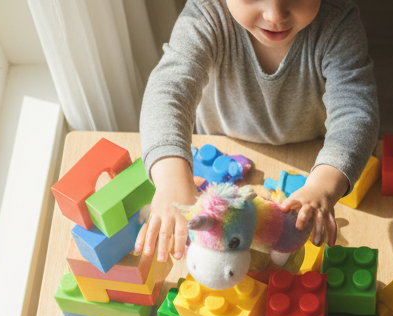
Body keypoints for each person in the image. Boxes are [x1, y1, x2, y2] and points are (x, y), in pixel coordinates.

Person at [137, 0, 379, 262]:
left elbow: (355, 111)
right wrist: (172, 182)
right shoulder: (206, 14)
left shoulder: (338, 21)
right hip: (225, 149)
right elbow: (168, 90)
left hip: (312, 154)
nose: (275, 15)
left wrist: (324, 186)